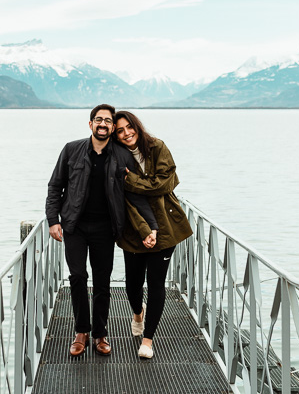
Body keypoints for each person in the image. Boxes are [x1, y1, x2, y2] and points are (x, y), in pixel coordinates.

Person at [46, 104, 158, 358]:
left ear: (111, 127)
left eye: (108, 121)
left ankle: (100, 334)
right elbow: (55, 186)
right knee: (77, 277)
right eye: (99, 120)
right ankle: (81, 332)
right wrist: (53, 219)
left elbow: (136, 195)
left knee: (102, 282)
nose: (103, 124)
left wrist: (151, 225)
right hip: (74, 225)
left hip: (105, 228)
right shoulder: (72, 149)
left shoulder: (121, 155)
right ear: (90, 124)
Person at [114, 110, 193, 359]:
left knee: (157, 283)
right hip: (134, 226)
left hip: (166, 224)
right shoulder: (118, 156)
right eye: (120, 130)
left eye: (130, 127)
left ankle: (148, 340)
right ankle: (138, 312)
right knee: (132, 284)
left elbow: (164, 184)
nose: (126, 134)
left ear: (137, 126)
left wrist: (132, 182)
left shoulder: (157, 147)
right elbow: (126, 197)